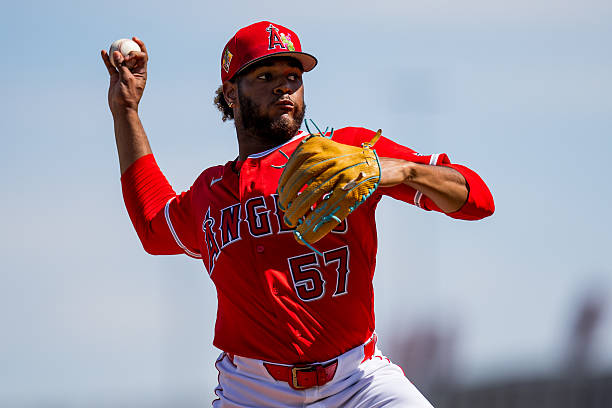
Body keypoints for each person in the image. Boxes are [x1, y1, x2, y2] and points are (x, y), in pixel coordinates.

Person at [101, 21, 494, 408]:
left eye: (293, 76)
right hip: (252, 393)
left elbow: (477, 200)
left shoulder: (346, 153)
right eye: (266, 75)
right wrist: (126, 110)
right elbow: (153, 225)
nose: (284, 86)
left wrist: (405, 171)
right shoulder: (211, 192)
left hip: (358, 382)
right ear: (231, 93)